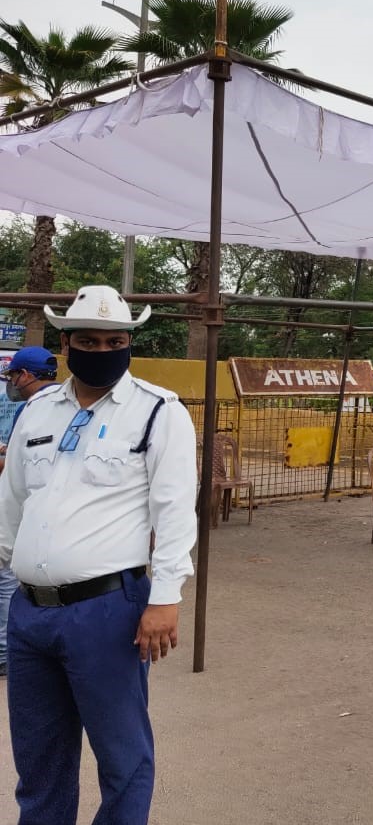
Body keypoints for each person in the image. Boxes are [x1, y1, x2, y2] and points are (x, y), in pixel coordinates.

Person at [0, 285, 198, 825]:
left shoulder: (159, 412)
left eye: (115, 339)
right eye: (88, 339)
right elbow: (13, 499)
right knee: (39, 759)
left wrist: (165, 598)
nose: (102, 349)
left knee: (122, 758)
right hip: (29, 613)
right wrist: (15, 565)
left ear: (129, 341)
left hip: (108, 611)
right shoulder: (39, 410)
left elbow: (176, 512)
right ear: (66, 343)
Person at [0, 346, 59, 678]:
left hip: (28, 513)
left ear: (26, 375)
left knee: (7, 579)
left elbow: (16, 468)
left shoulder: (34, 406)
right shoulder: (65, 402)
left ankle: (5, 652)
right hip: (47, 514)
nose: (11, 383)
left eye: (12, 376)